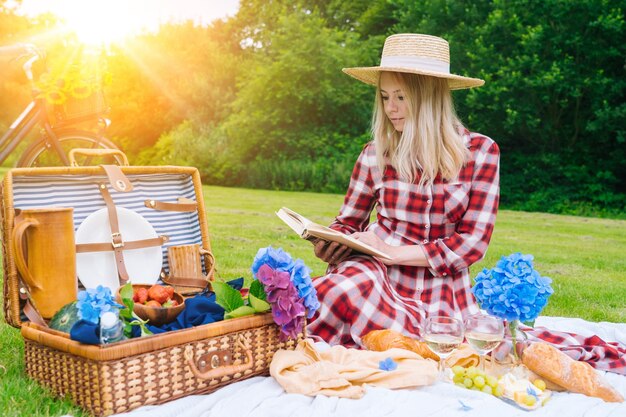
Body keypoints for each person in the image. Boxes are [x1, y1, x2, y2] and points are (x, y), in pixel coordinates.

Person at [307, 33, 500, 348]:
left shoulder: (480, 152)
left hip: (440, 289)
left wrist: (393, 253)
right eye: (384, 97)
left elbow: (472, 244)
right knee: (331, 293)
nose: (390, 108)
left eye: (400, 97)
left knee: (430, 343)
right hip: (373, 276)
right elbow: (347, 223)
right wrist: (330, 243)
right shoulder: (374, 153)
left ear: (429, 98)